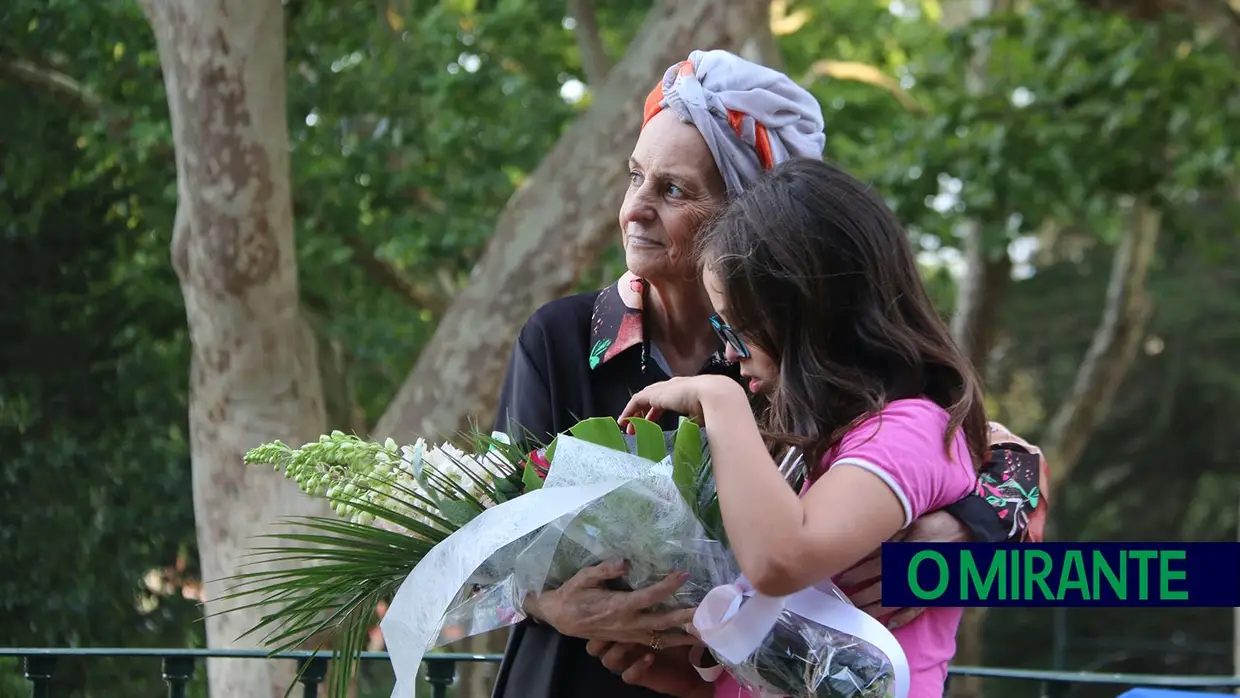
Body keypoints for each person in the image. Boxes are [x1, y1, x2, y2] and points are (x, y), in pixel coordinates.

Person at [489, 50, 1042, 698]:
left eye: (673, 189)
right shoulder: (559, 339)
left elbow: (996, 459)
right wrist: (550, 605)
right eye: (635, 176)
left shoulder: (806, 377)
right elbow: (479, 539)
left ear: (750, 213)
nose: (634, 209)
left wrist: (958, 537)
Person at [612, 156, 987, 697]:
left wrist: (719, 401)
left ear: (809, 319)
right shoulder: (812, 443)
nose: (728, 354)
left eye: (738, 330)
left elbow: (781, 562)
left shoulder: (912, 430)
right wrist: (685, 677)